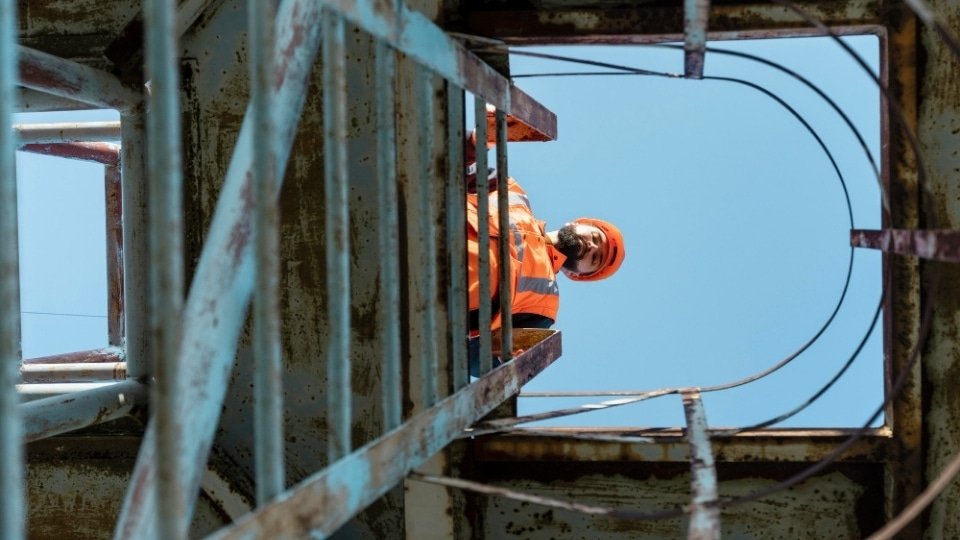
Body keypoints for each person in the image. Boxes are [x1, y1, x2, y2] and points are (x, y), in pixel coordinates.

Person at [465, 136, 626, 333]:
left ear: (575, 275)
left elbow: (496, 355)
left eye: (595, 258)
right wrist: (477, 139)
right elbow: (463, 167)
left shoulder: (544, 306)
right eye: (595, 238)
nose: (592, 247)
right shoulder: (515, 195)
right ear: (575, 223)